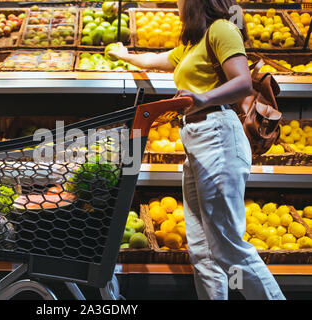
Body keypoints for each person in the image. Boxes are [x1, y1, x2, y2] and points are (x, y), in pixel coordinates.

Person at [109, 0, 285, 300]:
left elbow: (242, 82)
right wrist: (125, 55)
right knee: (202, 249)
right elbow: (156, 59)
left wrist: (203, 98)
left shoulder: (222, 30)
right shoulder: (193, 45)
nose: (177, 6)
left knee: (228, 246)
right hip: (198, 141)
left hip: (218, 136)